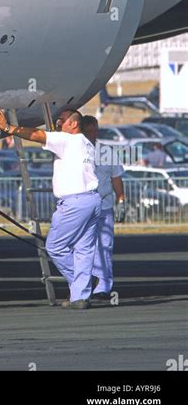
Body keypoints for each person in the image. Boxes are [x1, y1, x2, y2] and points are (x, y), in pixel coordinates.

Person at [0, 108, 101, 309]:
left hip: (74, 202)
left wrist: (9, 128)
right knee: (83, 250)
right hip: (92, 200)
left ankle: (84, 283)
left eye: (61, 120)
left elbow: (37, 135)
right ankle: (80, 297)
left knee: (55, 247)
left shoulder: (67, 140)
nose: (57, 124)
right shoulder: (86, 144)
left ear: (73, 124)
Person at [82, 115, 125, 301]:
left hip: (105, 205)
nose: (93, 135)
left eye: (95, 131)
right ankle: (84, 283)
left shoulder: (107, 152)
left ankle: (104, 285)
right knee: (84, 247)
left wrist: (121, 199)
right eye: (89, 131)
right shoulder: (76, 151)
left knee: (105, 246)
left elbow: (116, 177)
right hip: (84, 207)